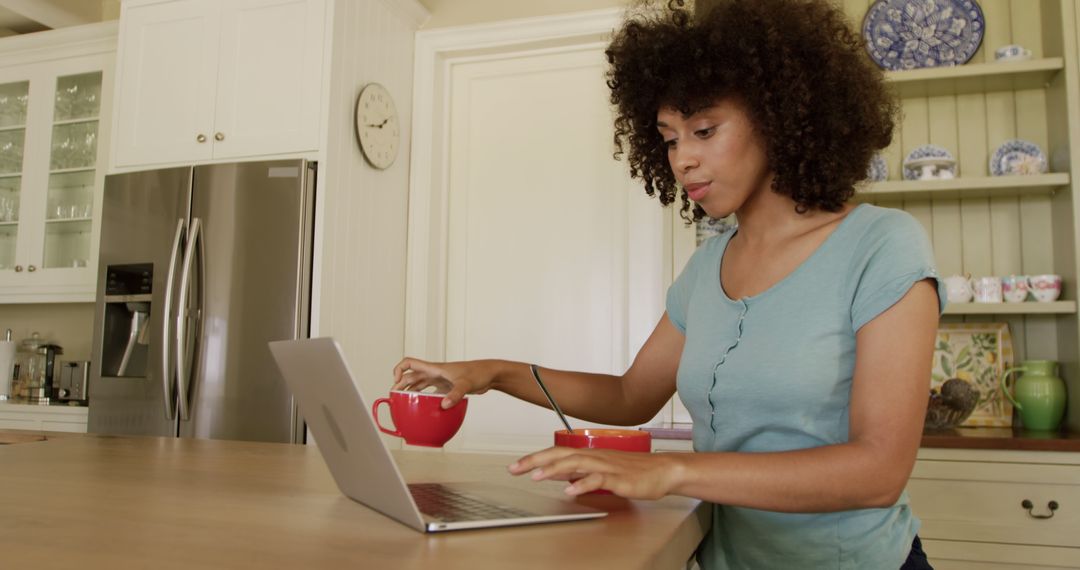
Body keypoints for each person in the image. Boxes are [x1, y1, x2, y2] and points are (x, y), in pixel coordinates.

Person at [393, 0, 944, 568]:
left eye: (704, 130)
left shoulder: (881, 245)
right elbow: (632, 395)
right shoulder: (706, 269)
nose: (683, 160)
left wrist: (672, 469)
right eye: (670, 139)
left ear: (778, 116)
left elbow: (878, 470)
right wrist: (494, 373)